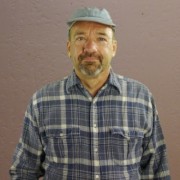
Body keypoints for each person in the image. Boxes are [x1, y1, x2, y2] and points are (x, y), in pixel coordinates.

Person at [10, 7, 170, 179]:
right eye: (80, 38)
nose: (90, 48)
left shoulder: (141, 99)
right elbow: (23, 172)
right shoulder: (41, 102)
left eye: (101, 38)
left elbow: (157, 171)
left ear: (114, 48)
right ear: (68, 47)